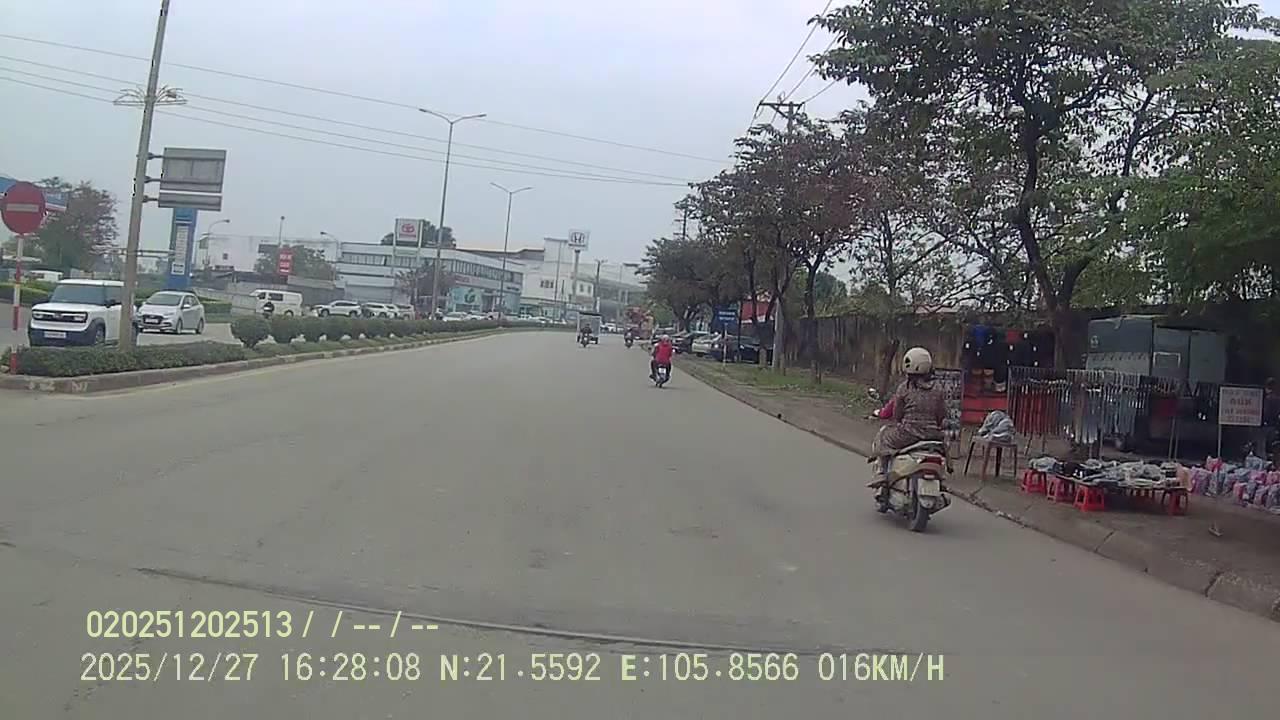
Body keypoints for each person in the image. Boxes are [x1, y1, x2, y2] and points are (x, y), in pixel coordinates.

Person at [873, 347, 947, 480]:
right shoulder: (938, 388)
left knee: (882, 437)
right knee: (944, 447)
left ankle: (882, 472)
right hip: (933, 435)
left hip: (907, 434)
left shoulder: (904, 388)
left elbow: (897, 415)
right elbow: (941, 415)